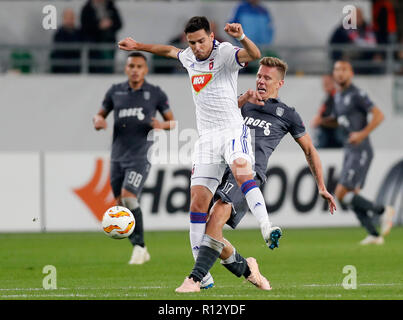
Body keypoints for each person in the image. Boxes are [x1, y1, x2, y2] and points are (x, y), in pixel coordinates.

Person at [118, 16, 281, 289]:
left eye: (201, 41)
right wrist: (139, 45)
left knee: (242, 169)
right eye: (192, 42)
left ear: (211, 35)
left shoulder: (226, 53)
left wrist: (241, 36)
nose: (197, 47)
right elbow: (169, 51)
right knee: (196, 204)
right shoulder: (189, 57)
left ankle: (267, 227)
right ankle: (203, 275)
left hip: (231, 131)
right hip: (206, 139)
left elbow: (254, 54)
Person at [175, 57, 337, 293]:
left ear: (279, 83)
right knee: (210, 230)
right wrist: (241, 99)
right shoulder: (244, 102)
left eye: (267, 78)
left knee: (217, 215)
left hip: (247, 172)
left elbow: (310, 150)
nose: (261, 81)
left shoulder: (287, 114)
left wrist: (321, 186)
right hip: (220, 166)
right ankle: (249, 270)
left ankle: (196, 279)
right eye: (259, 76)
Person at [92, 52, 175, 264]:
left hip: (140, 155)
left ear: (146, 70)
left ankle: (139, 247)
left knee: (129, 196)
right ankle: (139, 247)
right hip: (118, 156)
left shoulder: (155, 93)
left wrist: (161, 125)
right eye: (131, 66)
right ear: (126, 69)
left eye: (139, 66)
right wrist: (98, 121)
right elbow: (100, 114)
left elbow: (172, 122)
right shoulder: (115, 91)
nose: (135, 69)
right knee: (120, 204)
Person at [320, 60, 395, 245]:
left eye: (344, 70)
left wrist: (362, 134)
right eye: (337, 69)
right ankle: (374, 235)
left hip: (360, 150)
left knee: (342, 193)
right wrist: (323, 121)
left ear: (351, 73)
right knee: (348, 197)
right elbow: (340, 120)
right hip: (349, 150)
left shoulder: (357, 94)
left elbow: (379, 115)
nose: (339, 73)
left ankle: (383, 211)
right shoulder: (338, 96)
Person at [329, 7, 382, 74]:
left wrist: (378, 54)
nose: (358, 18)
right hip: (349, 61)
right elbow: (333, 46)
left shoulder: (369, 29)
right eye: (356, 16)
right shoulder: (341, 30)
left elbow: (378, 44)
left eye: (360, 15)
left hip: (366, 60)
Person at [80, 0, 122, 73]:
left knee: (108, 67)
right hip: (94, 46)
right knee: (96, 69)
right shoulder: (87, 8)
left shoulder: (111, 7)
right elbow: (85, 27)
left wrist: (110, 23)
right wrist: (98, 26)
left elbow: (119, 23)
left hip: (109, 43)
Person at [310, 75, 344, 149]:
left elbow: (338, 118)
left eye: (327, 83)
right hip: (328, 137)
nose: (325, 86)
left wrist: (320, 121)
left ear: (334, 83)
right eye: (324, 84)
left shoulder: (338, 98)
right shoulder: (328, 99)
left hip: (334, 138)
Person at [50, 8, 82, 74]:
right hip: (62, 68)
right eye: (67, 17)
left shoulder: (80, 33)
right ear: (63, 19)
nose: (70, 20)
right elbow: (60, 50)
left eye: (71, 17)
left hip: (76, 67)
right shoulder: (59, 34)